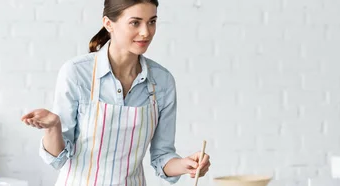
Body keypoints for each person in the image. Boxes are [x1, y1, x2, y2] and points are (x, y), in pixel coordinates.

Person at [20, 0, 211, 185]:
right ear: (108, 23)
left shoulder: (162, 81)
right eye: (135, 22)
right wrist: (54, 127)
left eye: (152, 21)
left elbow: (162, 156)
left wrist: (186, 165)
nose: (146, 32)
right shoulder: (77, 73)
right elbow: (57, 159)